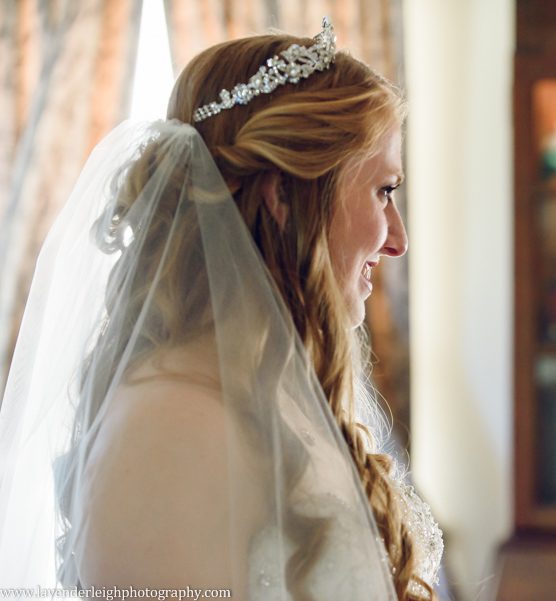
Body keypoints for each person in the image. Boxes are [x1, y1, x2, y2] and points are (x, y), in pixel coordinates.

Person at [0, 19, 443, 601]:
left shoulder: (266, 383)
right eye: (383, 191)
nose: (397, 240)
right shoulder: (167, 427)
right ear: (283, 196)